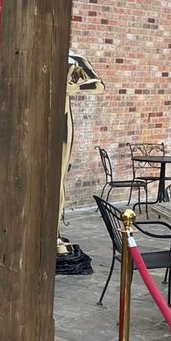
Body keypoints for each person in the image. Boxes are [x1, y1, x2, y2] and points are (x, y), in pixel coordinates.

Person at [58, 53, 104, 254]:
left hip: (61, 121)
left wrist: (72, 87)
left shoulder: (74, 58)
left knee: (58, 179)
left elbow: (98, 84)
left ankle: (54, 232)